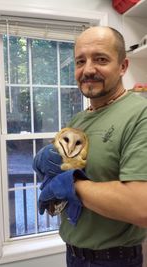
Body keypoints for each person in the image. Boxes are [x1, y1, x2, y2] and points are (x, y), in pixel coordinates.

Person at [33, 26, 147, 267]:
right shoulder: (79, 120)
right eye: (80, 61)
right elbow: (65, 165)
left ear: (123, 66)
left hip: (114, 260)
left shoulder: (140, 115)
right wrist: (45, 165)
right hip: (74, 255)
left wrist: (70, 184)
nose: (88, 70)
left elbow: (141, 206)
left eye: (101, 59)